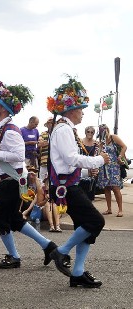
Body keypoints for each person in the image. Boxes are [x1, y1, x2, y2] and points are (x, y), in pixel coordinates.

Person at [0, 81, 58, 270]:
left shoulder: (10, 130)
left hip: (11, 181)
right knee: (14, 219)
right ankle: (48, 246)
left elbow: (19, 156)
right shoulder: (0, 128)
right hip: (8, 180)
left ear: (3, 107)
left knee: (0, 219)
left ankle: (15, 256)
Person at [47, 77, 109, 288]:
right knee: (96, 222)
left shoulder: (65, 129)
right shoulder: (64, 129)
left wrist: (83, 173)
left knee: (85, 226)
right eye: (81, 108)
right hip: (66, 189)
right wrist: (100, 160)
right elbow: (71, 159)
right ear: (71, 110)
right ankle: (61, 251)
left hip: (69, 184)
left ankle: (77, 273)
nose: (83, 112)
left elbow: (67, 165)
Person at [96, 124, 127, 217]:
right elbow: (98, 154)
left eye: (104, 130)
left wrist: (120, 156)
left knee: (116, 188)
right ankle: (109, 209)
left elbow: (124, 146)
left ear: (107, 130)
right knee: (106, 188)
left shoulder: (113, 137)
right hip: (104, 167)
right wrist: (100, 146)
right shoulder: (101, 141)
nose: (103, 132)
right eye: (101, 130)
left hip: (114, 166)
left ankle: (120, 210)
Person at [38, 116, 53, 182]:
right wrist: (51, 143)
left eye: (52, 123)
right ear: (47, 125)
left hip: (54, 162)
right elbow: (39, 144)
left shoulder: (57, 133)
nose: (51, 124)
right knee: (42, 181)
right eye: (49, 123)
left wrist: (46, 143)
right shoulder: (43, 133)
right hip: (44, 161)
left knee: (52, 180)